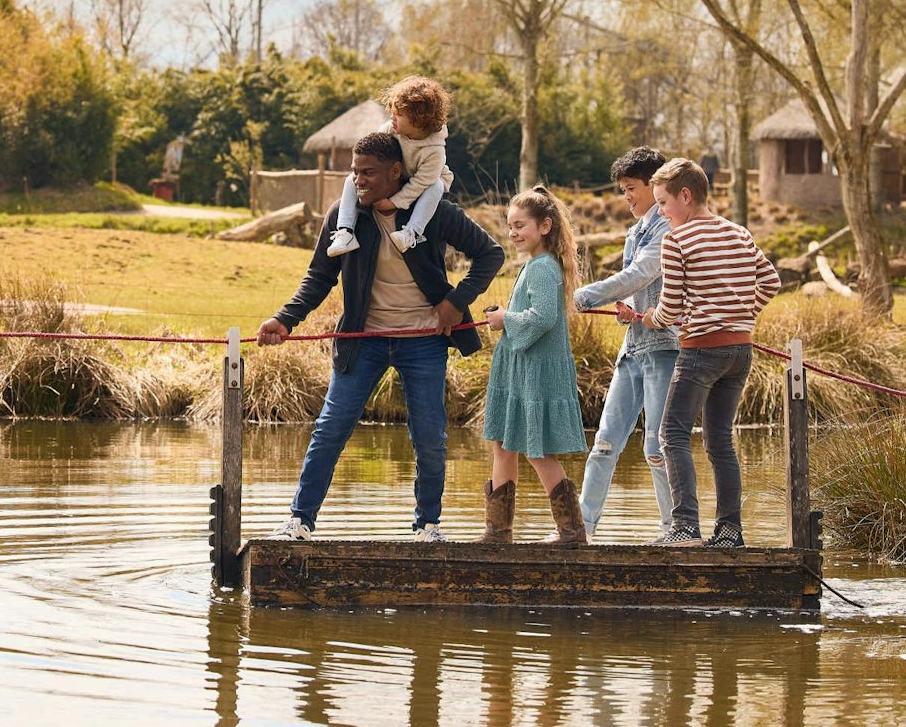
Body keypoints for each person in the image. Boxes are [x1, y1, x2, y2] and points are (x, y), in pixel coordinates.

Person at [259, 131, 505, 542]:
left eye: (369, 173)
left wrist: (454, 302)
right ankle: (299, 521)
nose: (359, 181)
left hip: (424, 339)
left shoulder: (435, 211)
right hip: (363, 340)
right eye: (355, 173)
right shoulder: (344, 213)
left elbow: (490, 254)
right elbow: (320, 277)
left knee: (429, 435)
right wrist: (285, 319)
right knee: (331, 427)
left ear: (395, 172)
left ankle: (427, 526)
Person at [641, 157, 781, 547]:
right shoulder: (739, 233)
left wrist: (649, 317)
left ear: (685, 196)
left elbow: (669, 309)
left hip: (701, 351)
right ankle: (730, 531)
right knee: (720, 440)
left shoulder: (677, 240)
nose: (661, 213)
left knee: (672, 433)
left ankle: (684, 526)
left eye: (664, 203)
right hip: (740, 350)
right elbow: (771, 280)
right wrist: (738, 316)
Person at [573, 147, 677, 540]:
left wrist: (582, 296)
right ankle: (582, 528)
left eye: (631, 188)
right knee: (603, 442)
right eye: (622, 190)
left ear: (655, 185)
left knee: (656, 445)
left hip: (664, 347)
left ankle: (674, 529)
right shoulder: (636, 230)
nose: (626, 197)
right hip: (632, 348)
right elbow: (638, 288)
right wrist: (627, 308)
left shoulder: (667, 228)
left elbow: (644, 272)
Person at [481, 186, 589, 545]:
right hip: (518, 369)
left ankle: (571, 531)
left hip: (535, 371)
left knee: (537, 449)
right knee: (503, 445)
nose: (513, 233)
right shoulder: (534, 264)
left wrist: (504, 319)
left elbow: (542, 317)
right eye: (510, 226)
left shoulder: (543, 267)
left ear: (545, 226)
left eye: (520, 225)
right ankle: (498, 532)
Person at [328, 75, 455, 257]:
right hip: (399, 176)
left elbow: (421, 183)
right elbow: (375, 155)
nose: (392, 117)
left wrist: (394, 202)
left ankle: (411, 232)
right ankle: (345, 231)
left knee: (435, 186)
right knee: (352, 179)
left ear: (418, 120)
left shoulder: (435, 151)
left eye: (399, 114)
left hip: (425, 183)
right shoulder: (389, 129)